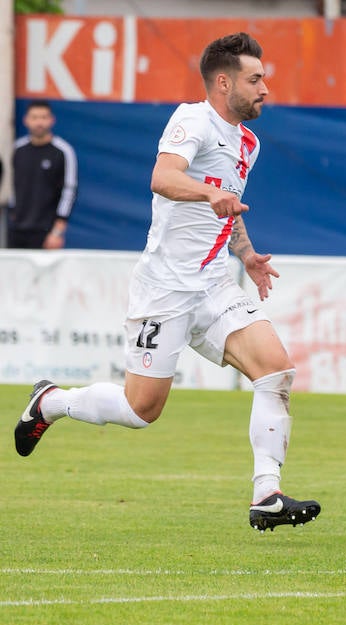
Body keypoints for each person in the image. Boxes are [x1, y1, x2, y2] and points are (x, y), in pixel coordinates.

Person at [12, 33, 321, 531]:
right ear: (224, 82)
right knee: (141, 410)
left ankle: (267, 493)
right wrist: (207, 193)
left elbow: (229, 206)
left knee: (276, 371)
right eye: (255, 79)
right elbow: (162, 177)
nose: (265, 89)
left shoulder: (249, 142)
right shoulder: (191, 119)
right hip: (165, 288)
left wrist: (247, 255)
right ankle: (52, 401)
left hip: (214, 284)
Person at [8, 100, 78, 249]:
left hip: (46, 232)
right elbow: (13, 185)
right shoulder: (18, 149)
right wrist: (13, 216)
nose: (39, 122)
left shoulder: (63, 151)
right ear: (26, 120)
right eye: (34, 117)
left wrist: (57, 232)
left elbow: (69, 191)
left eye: (43, 117)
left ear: (52, 120)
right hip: (16, 230)